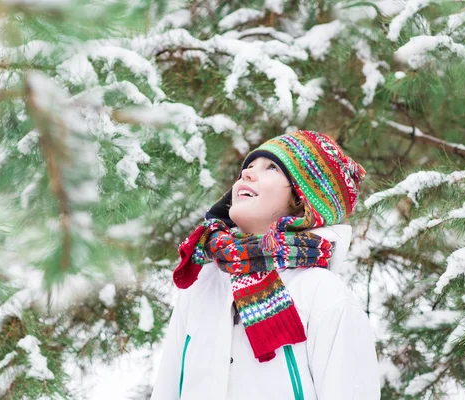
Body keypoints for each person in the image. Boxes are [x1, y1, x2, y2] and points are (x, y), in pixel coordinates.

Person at [151, 130, 381, 400]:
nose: (246, 174)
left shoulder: (322, 292)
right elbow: (168, 386)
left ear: (302, 200)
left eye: (271, 167)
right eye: (246, 168)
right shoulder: (204, 282)